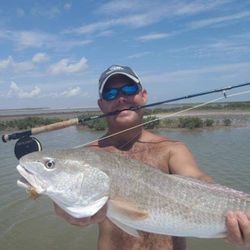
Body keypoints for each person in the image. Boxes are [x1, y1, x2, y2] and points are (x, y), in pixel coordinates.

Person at [54, 65, 250, 250]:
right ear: (101, 104)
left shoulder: (171, 149)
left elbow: (200, 180)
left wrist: (237, 219)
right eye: (111, 93)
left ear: (144, 95)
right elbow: (66, 194)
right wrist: (64, 210)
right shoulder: (87, 157)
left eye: (129, 89)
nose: (121, 98)